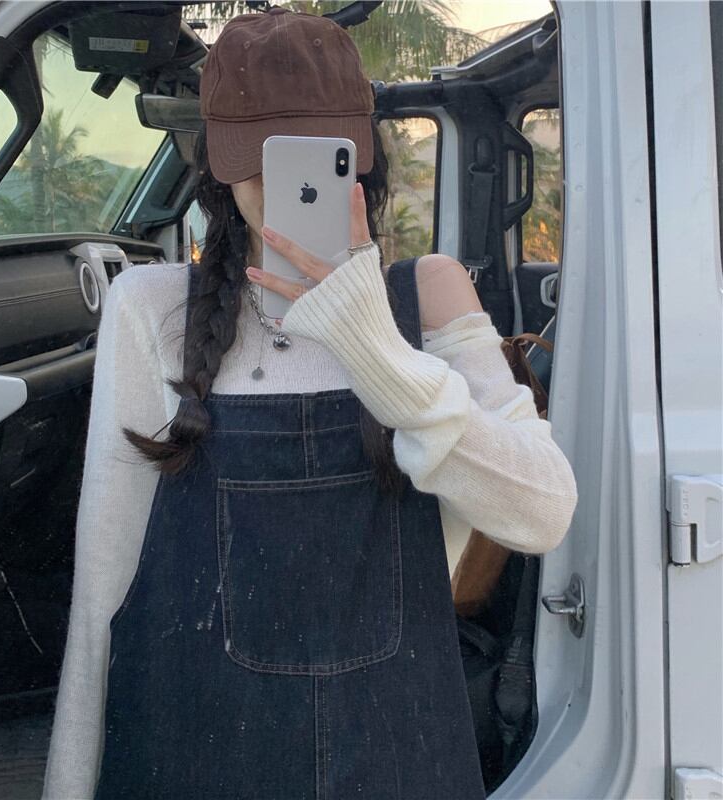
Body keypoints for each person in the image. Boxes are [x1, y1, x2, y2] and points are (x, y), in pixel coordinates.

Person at [41, 7, 578, 799]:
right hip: (197, 748)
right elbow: (103, 585)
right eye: (257, 155)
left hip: (395, 751)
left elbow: (544, 512)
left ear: (360, 156)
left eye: (314, 154)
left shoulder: (429, 294)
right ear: (217, 166)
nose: (282, 184)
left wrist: (374, 347)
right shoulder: (151, 308)